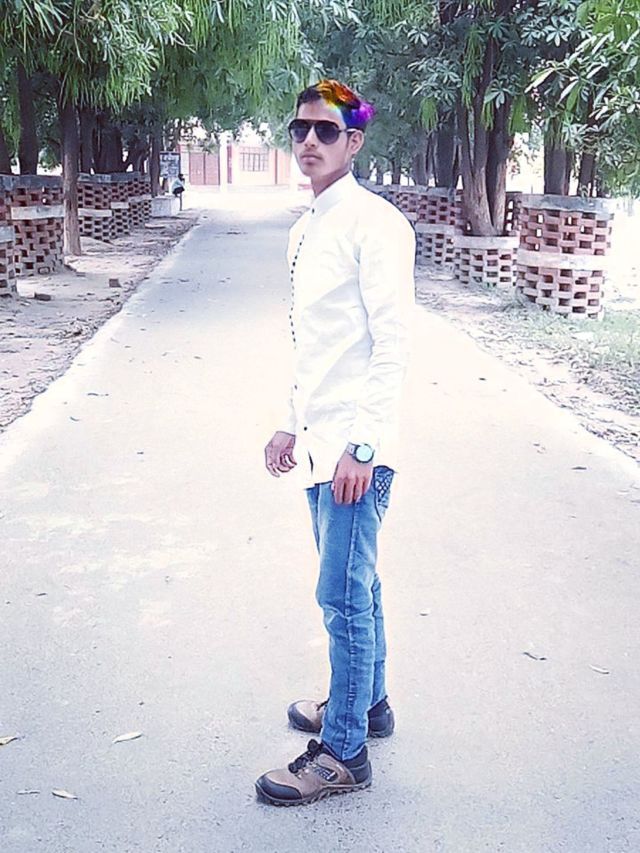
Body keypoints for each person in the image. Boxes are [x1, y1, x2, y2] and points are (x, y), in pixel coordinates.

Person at [256, 80, 415, 807]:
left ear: (355, 141)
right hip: (321, 443)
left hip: (355, 449)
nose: (309, 142)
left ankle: (345, 751)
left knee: (341, 596)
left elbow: (392, 343)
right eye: (300, 130)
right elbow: (313, 344)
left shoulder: (376, 224)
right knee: (359, 585)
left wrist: (364, 445)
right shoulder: (305, 229)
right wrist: (291, 420)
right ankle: (367, 705)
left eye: (326, 130)